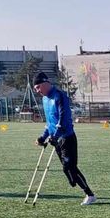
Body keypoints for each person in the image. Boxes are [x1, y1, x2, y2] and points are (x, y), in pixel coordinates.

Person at [32, 71, 96, 205]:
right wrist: (43, 137)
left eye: (38, 87)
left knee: (69, 167)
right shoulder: (44, 99)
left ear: (45, 83)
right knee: (69, 169)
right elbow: (50, 122)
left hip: (67, 138)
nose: (37, 91)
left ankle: (89, 195)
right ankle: (84, 189)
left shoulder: (59, 96)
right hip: (56, 141)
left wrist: (55, 136)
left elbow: (63, 119)